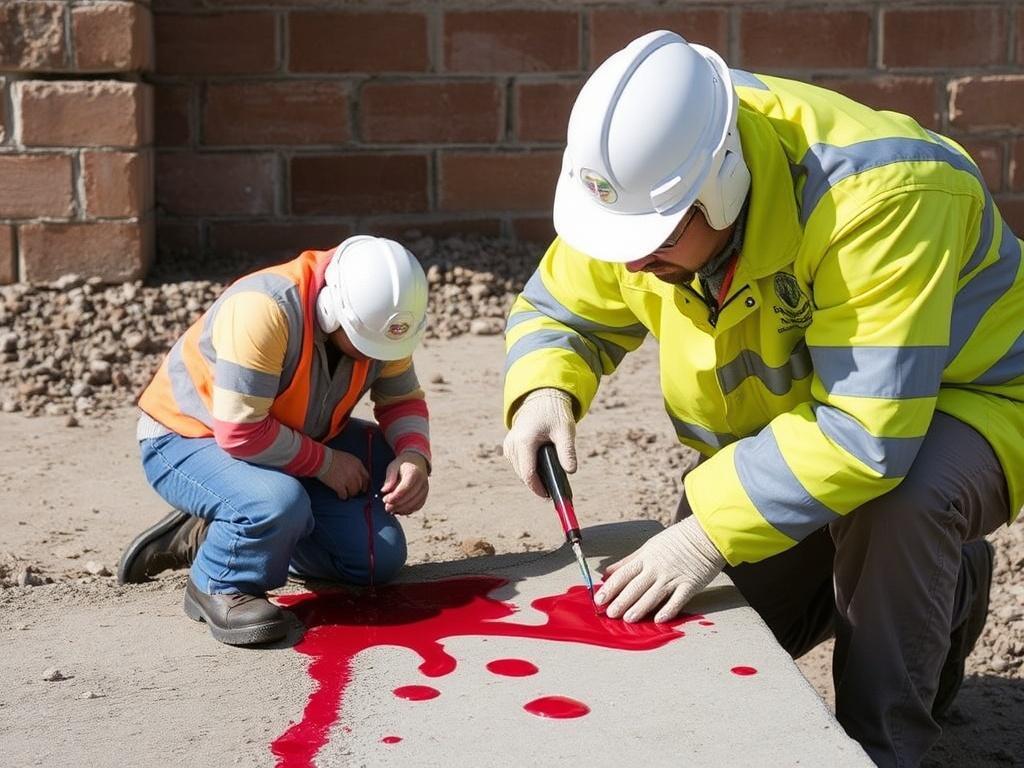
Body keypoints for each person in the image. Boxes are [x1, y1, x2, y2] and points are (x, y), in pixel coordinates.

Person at [501, 30, 1020, 767]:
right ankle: (921, 582)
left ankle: (884, 741)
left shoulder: (883, 197)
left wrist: (702, 532)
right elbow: (561, 310)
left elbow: (866, 435)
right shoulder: (641, 191)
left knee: (899, 504)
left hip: (963, 402)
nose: (632, 262)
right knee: (717, 654)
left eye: (652, 242)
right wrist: (546, 387)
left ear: (722, 180)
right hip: (801, 430)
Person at [118, 236, 432, 647]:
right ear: (331, 309)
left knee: (377, 558)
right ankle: (218, 580)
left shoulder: (382, 320)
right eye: (365, 343)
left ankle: (234, 526)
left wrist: (414, 457)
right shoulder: (263, 309)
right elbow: (241, 430)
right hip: (189, 438)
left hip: (291, 435)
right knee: (277, 504)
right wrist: (325, 464)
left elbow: (401, 398)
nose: (374, 356)